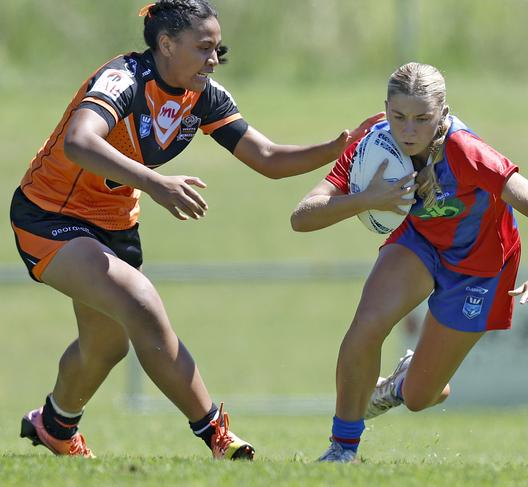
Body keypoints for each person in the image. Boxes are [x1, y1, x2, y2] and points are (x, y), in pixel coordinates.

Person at [10, 0, 383, 460]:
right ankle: (216, 436)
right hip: (49, 214)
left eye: (217, 49)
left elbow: (266, 159)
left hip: (114, 222)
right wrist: (157, 184)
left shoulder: (203, 95)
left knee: (105, 345)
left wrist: (337, 147)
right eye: (204, 47)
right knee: (141, 303)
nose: (214, 58)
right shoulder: (124, 79)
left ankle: (55, 425)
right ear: (166, 44)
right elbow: (79, 141)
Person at [291, 62, 528, 463]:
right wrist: (368, 199)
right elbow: (303, 216)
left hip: (480, 264)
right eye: (398, 117)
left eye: (422, 118)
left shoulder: (466, 151)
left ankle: (400, 384)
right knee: (365, 327)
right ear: (385, 109)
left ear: (442, 114)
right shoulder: (373, 142)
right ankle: (342, 450)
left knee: (422, 396)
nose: (409, 130)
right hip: (420, 244)